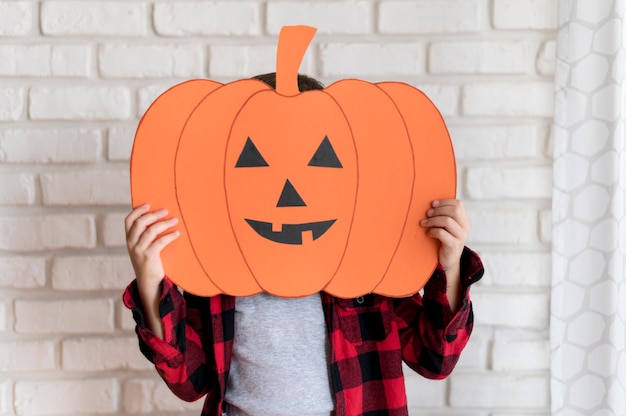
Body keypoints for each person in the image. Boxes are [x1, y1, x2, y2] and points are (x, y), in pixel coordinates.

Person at [123, 73, 484, 416]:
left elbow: (436, 360)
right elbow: (188, 382)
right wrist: (151, 281)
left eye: (318, 160)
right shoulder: (220, 274)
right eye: (255, 161)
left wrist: (449, 267)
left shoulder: (370, 272)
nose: (288, 193)